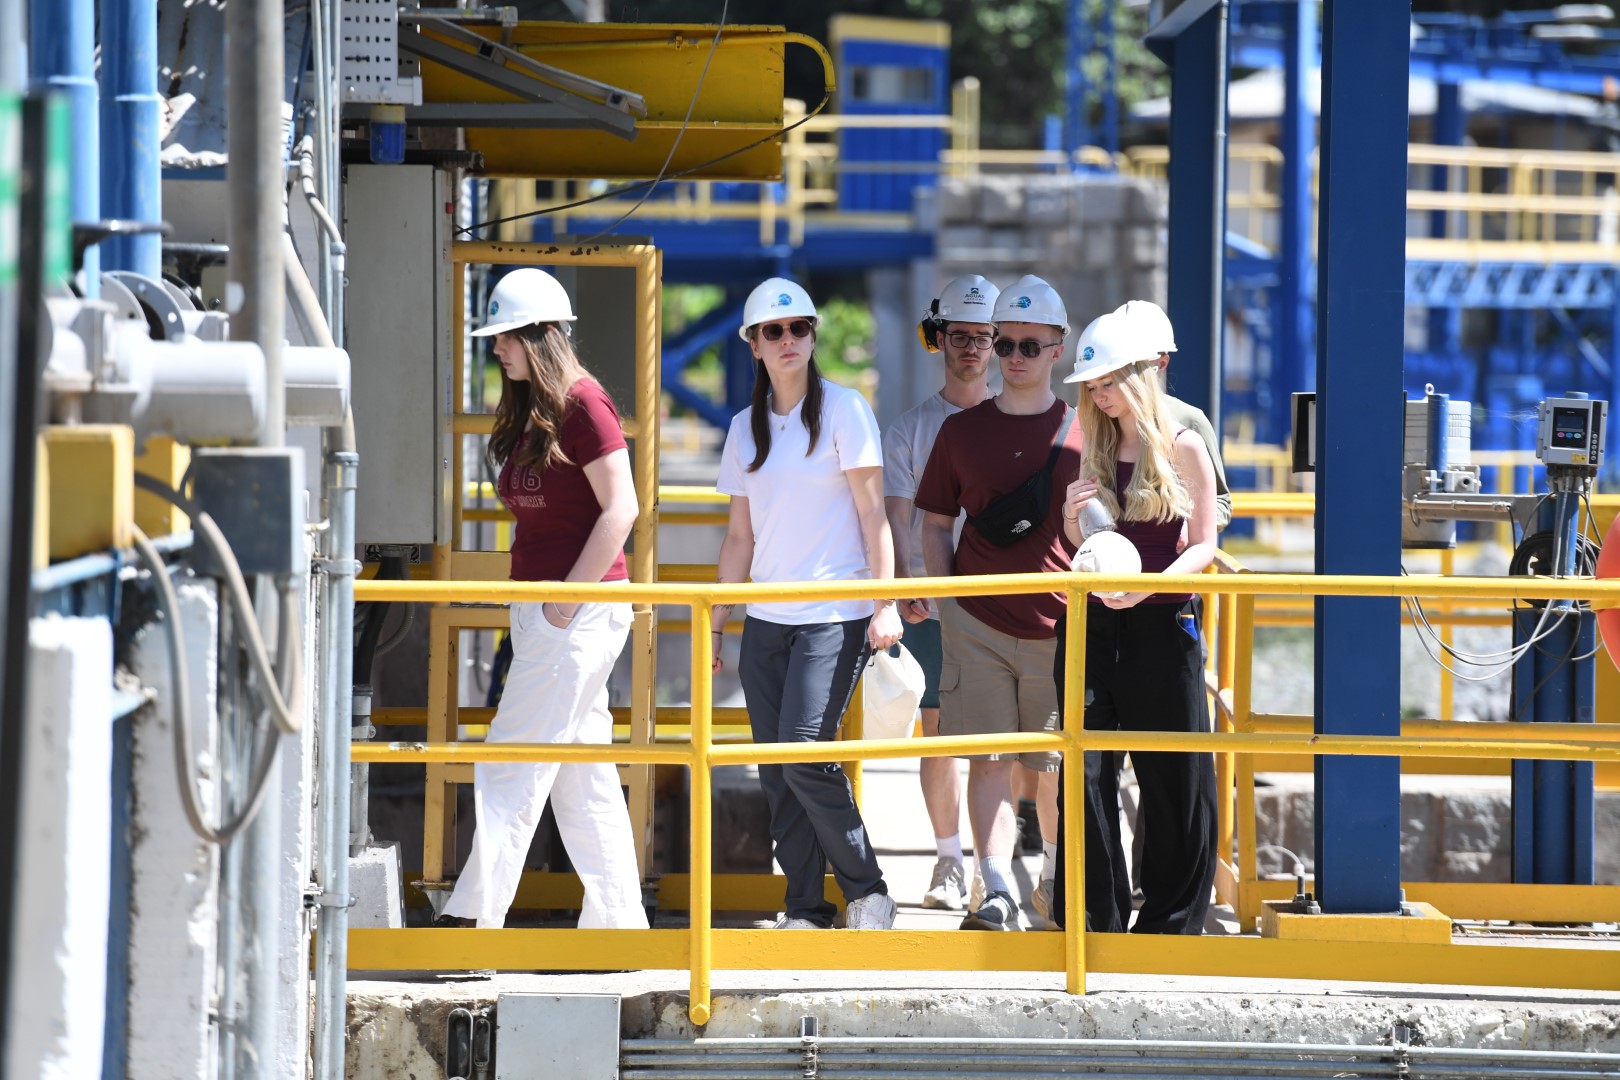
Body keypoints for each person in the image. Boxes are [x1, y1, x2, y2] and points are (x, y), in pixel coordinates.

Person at [436, 268, 648, 931]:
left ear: (542, 335)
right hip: (553, 614)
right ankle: (619, 928)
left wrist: (563, 605)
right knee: (582, 781)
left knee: (509, 761)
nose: (497, 349)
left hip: (574, 614)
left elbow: (622, 509)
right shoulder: (541, 409)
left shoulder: (585, 405)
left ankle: (472, 921)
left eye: (507, 337)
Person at [713, 277, 903, 931]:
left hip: (834, 616)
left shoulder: (846, 410)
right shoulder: (743, 429)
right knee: (777, 771)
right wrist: (717, 623)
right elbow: (740, 537)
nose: (788, 339)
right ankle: (805, 906)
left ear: (813, 335)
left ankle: (869, 890)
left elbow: (874, 516)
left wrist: (885, 604)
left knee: (802, 754)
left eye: (799, 327)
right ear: (754, 345)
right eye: (774, 330)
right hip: (765, 619)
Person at [915, 275, 1083, 931]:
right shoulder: (960, 433)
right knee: (987, 759)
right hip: (978, 622)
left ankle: (1053, 881)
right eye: (1005, 343)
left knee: (1053, 763)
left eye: (1029, 345)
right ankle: (995, 888)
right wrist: (948, 600)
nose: (1014, 356)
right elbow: (934, 522)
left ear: (1057, 350)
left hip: (1057, 622)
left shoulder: (1083, 432)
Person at [1053, 309, 1219, 935]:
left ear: (1141, 376)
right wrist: (1070, 518)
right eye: (1092, 386)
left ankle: (1171, 922)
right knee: (1086, 771)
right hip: (1095, 625)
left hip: (1163, 623)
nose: (1099, 395)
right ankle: (1094, 917)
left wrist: (1150, 588)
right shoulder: (1093, 447)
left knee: (1173, 773)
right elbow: (1085, 543)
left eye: (1109, 382)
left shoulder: (1184, 444)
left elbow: (1204, 545)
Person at [884, 274, 1000, 911]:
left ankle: (991, 870)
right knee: (937, 733)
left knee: (996, 743)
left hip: (996, 603)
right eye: (960, 336)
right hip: (930, 603)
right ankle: (949, 862)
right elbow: (897, 516)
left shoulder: (1021, 423)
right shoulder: (911, 430)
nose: (972, 348)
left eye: (984, 337)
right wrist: (906, 587)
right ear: (939, 339)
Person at [1114, 300, 1231, 531]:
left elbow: (1221, 502)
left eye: (1137, 363)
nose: (1127, 372)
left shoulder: (1188, 420)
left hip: (1172, 552)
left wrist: (1184, 527)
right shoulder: (1093, 418)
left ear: (1162, 363)